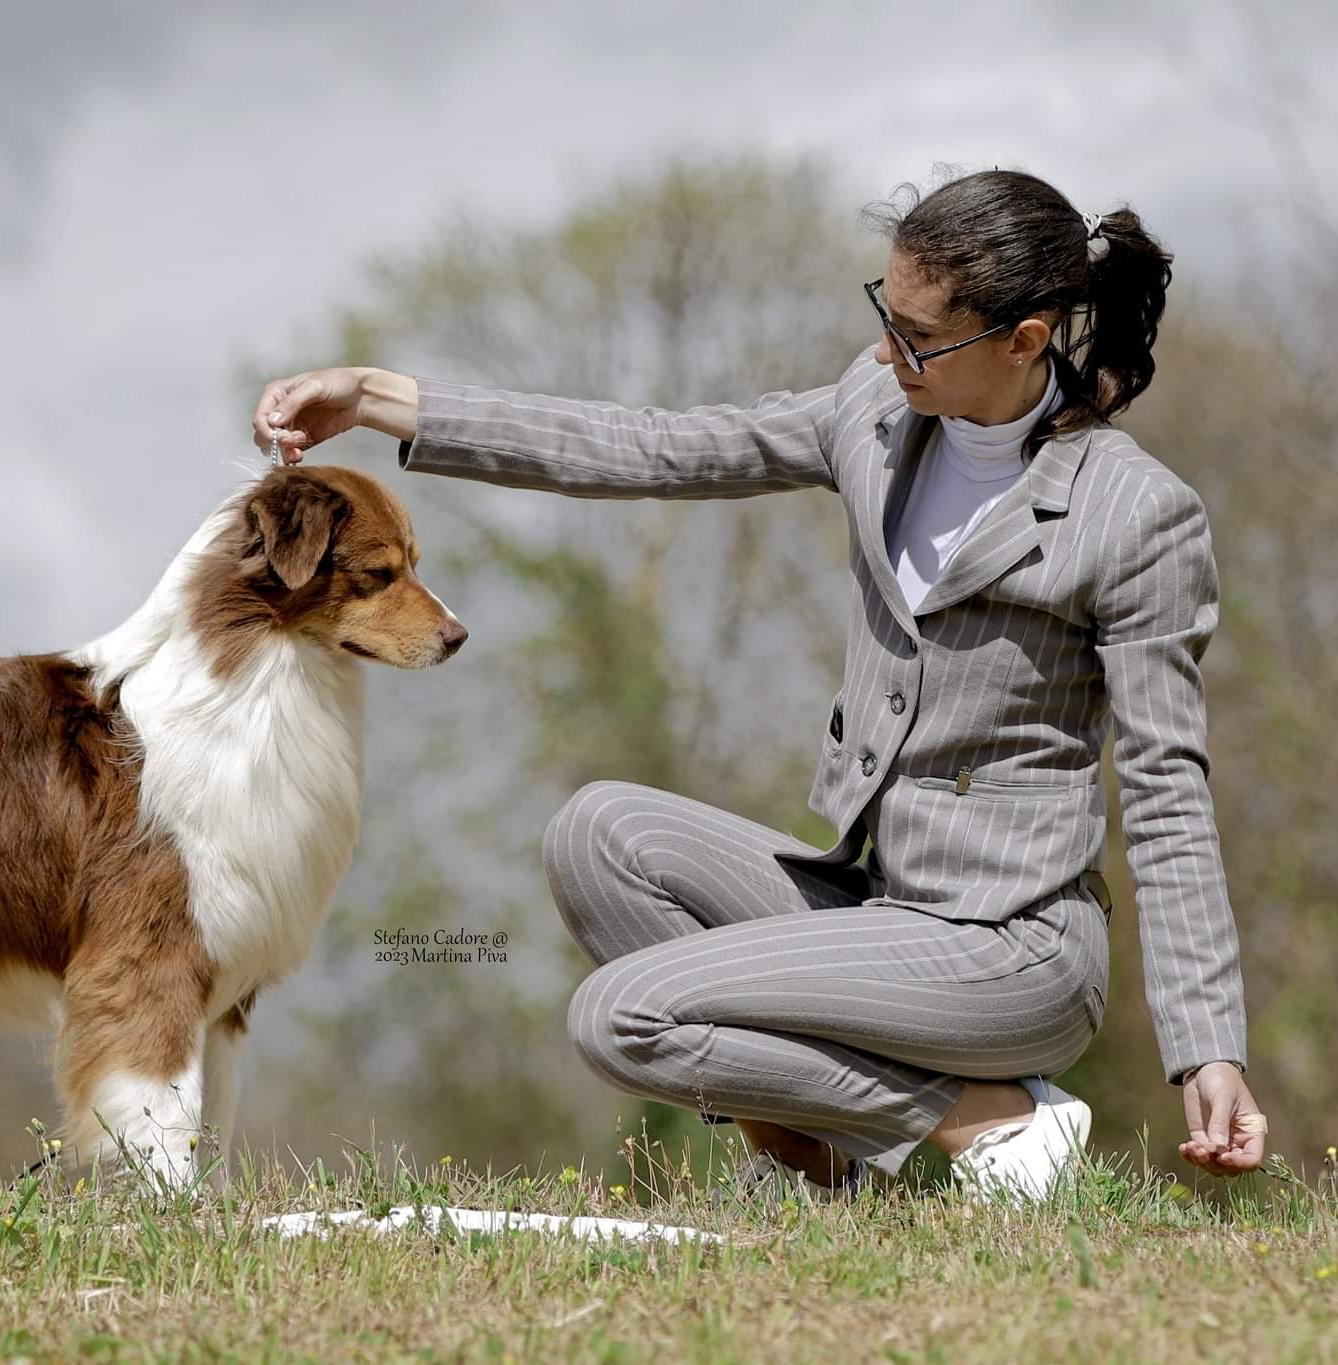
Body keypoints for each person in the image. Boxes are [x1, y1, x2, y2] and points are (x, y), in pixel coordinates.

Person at [248, 168, 1266, 1201]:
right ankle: (827, 1165)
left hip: (1006, 948)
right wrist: (377, 398)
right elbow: (651, 446)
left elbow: (1165, 791)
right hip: (872, 894)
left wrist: (1207, 1046)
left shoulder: (1134, 515)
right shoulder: (873, 414)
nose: (884, 352)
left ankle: (987, 1122)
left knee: (622, 1016)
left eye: (919, 337)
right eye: (885, 315)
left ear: (1023, 338)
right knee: (595, 836)